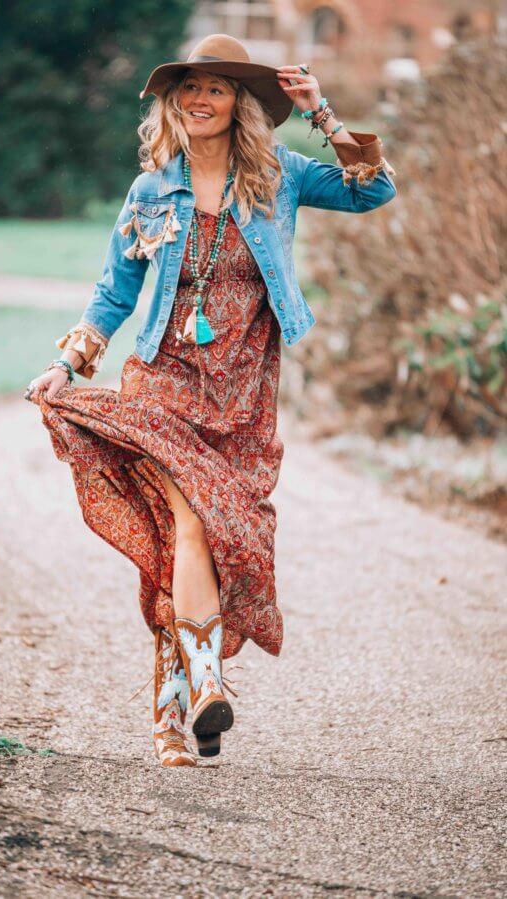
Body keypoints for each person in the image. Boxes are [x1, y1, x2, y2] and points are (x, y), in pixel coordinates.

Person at [25, 34, 397, 767]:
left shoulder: (279, 176)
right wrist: (69, 360)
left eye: (217, 89)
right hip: (163, 378)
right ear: (174, 100)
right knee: (190, 520)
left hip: (243, 390)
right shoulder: (150, 190)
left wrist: (320, 110)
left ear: (242, 105)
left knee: (205, 542)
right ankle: (206, 687)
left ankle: (169, 707)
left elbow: (373, 190)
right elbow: (114, 292)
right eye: (189, 87)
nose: (199, 99)